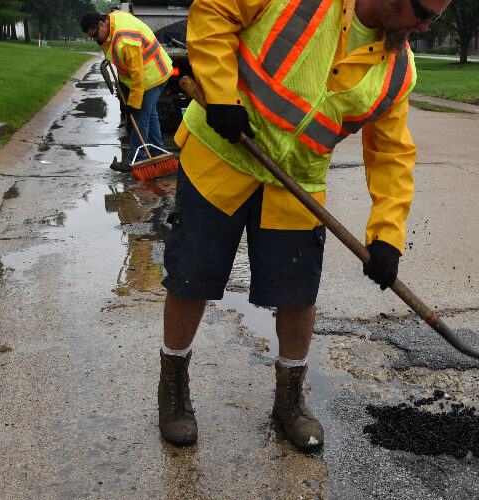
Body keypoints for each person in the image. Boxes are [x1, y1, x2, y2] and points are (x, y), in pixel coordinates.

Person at [157, 0, 450, 449]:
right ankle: (174, 388)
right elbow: (215, 11)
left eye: (436, 17)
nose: (427, 25)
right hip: (219, 158)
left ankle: (289, 400)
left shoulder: (398, 71)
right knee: (190, 280)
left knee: (297, 296)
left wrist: (387, 236)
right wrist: (220, 93)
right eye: (424, 11)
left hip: (296, 183)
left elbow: (392, 153)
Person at [80, 11, 173, 168]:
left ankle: (137, 159)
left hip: (151, 76)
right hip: (155, 71)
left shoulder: (124, 40)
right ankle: (158, 153)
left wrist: (132, 103)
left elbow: (138, 76)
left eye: (95, 35)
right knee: (150, 115)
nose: (96, 40)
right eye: (92, 38)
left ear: (101, 24)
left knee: (139, 117)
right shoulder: (114, 20)